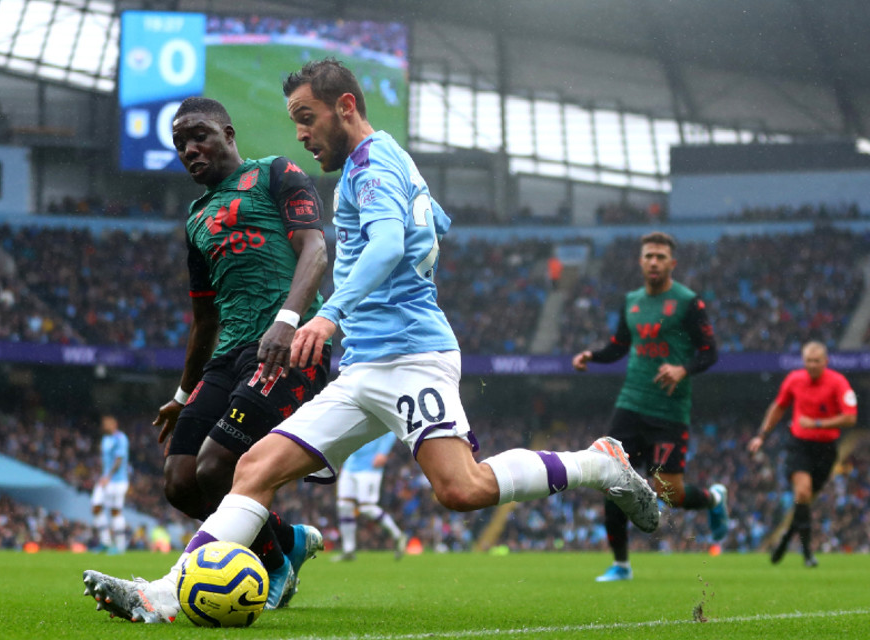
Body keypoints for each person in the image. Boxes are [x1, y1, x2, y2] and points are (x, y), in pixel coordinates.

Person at [81, 58, 659, 623]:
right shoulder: (389, 163)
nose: (302, 134)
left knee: (461, 488)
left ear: (346, 106)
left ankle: (599, 464)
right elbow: (432, 221)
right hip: (363, 368)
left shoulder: (371, 164)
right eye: (295, 122)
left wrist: (326, 316)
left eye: (307, 118)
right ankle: (164, 595)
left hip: (411, 357)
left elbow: (384, 247)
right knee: (254, 467)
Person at [147, 96, 330, 609]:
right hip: (228, 355)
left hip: (289, 346)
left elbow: (315, 249)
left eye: (199, 135)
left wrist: (286, 322)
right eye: (180, 143)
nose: (190, 148)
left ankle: (275, 567)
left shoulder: (276, 172)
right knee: (181, 482)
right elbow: (204, 317)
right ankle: (287, 543)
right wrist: (183, 393)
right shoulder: (196, 217)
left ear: (228, 133)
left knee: (214, 468)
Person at [571, 231, 725, 582]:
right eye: (648, 256)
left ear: (673, 263)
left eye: (660, 256)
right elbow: (619, 345)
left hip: (669, 411)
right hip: (630, 403)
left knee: (670, 494)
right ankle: (621, 565)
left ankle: (715, 499)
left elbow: (710, 351)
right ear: (640, 262)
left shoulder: (687, 301)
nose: (654, 261)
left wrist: (682, 368)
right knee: (611, 479)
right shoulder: (632, 301)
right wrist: (592, 356)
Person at [747, 341, 857, 567]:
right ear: (803, 361)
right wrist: (761, 435)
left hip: (827, 449)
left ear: (826, 362)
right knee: (803, 493)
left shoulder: (838, 382)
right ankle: (807, 554)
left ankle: (786, 539)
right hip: (800, 445)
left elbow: (850, 418)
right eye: (808, 360)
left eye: (817, 361)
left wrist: (817, 423)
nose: (812, 365)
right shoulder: (794, 380)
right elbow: (779, 407)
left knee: (804, 502)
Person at [334, 432, 408, 561]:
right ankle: (348, 550)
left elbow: (390, 431)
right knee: (344, 505)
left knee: (366, 507)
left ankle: (398, 535)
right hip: (350, 465)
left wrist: (383, 452)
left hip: (370, 465)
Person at [91, 413, 129, 553]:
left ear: (114, 424)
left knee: (115, 511)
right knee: (96, 506)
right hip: (105, 479)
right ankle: (105, 542)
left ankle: (120, 547)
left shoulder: (120, 438)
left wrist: (108, 475)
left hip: (117, 481)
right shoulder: (105, 439)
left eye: (107, 423)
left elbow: (119, 459)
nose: (104, 426)